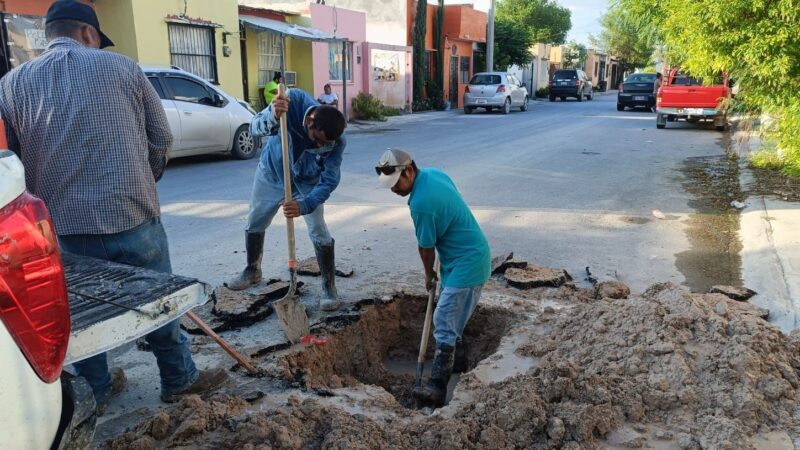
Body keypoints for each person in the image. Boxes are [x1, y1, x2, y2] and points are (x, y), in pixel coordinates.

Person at [0, 0, 228, 409]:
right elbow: (161, 139)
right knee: (158, 300)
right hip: (131, 214)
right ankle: (178, 379)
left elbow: (13, 160)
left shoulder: (12, 83)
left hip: (64, 228)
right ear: (88, 34)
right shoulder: (123, 68)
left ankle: (97, 389)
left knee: (83, 314)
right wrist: (144, 180)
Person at [376, 149, 491, 407]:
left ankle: (437, 388)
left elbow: (426, 248)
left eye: (396, 183)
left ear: (408, 170)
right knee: (451, 314)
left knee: (443, 319)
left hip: (468, 263)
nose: (393, 190)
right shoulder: (432, 174)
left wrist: (429, 275)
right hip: (461, 256)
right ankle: (459, 362)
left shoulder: (421, 204)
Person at [226, 87, 347, 313]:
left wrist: (305, 205)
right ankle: (252, 270)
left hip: (305, 184)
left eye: (325, 144)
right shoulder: (292, 103)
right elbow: (254, 128)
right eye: (318, 140)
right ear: (311, 121)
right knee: (255, 221)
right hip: (271, 173)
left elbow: (329, 180)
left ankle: (329, 287)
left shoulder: (337, 142)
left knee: (319, 231)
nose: (320, 146)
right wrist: (272, 115)